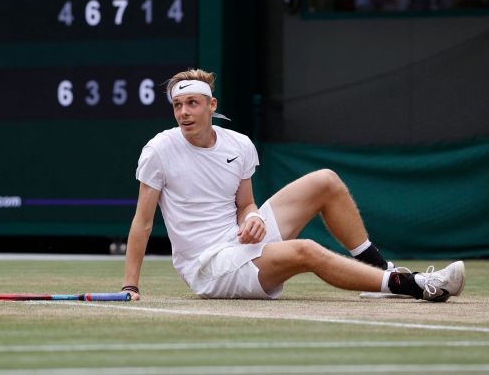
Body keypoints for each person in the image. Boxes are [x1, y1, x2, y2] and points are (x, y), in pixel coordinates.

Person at [120, 69, 465, 302]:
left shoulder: (239, 145)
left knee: (325, 181)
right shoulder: (159, 150)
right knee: (307, 250)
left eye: (192, 103)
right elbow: (143, 222)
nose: (184, 113)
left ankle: (377, 271)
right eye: (178, 105)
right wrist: (130, 285)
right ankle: (413, 285)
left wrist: (252, 219)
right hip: (209, 268)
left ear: (211, 105)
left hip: (238, 242)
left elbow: (245, 205)